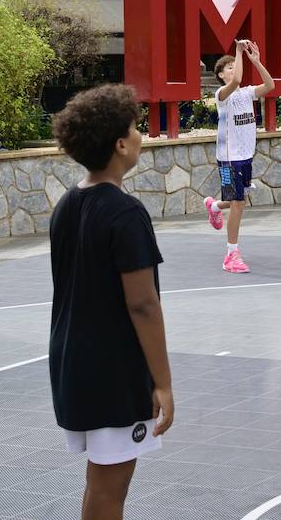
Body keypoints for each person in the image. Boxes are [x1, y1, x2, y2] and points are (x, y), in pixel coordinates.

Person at [49, 84, 172, 520]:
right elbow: (143, 305)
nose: (141, 135)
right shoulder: (125, 212)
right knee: (109, 487)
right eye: (135, 128)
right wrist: (163, 382)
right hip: (112, 368)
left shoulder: (67, 204)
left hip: (72, 359)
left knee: (100, 482)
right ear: (120, 144)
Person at [203, 40, 275, 273]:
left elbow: (270, 85)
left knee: (237, 200)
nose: (234, 69)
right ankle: (231, 255)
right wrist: (238, 51)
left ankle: (214, 207)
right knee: (239, 203)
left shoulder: (246, 94)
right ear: (221, 75)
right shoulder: (222, 95)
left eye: (236, 65)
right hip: (228, 157)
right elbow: (236, 81)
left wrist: (256, 61)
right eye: (229, 67)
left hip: (245, 156)